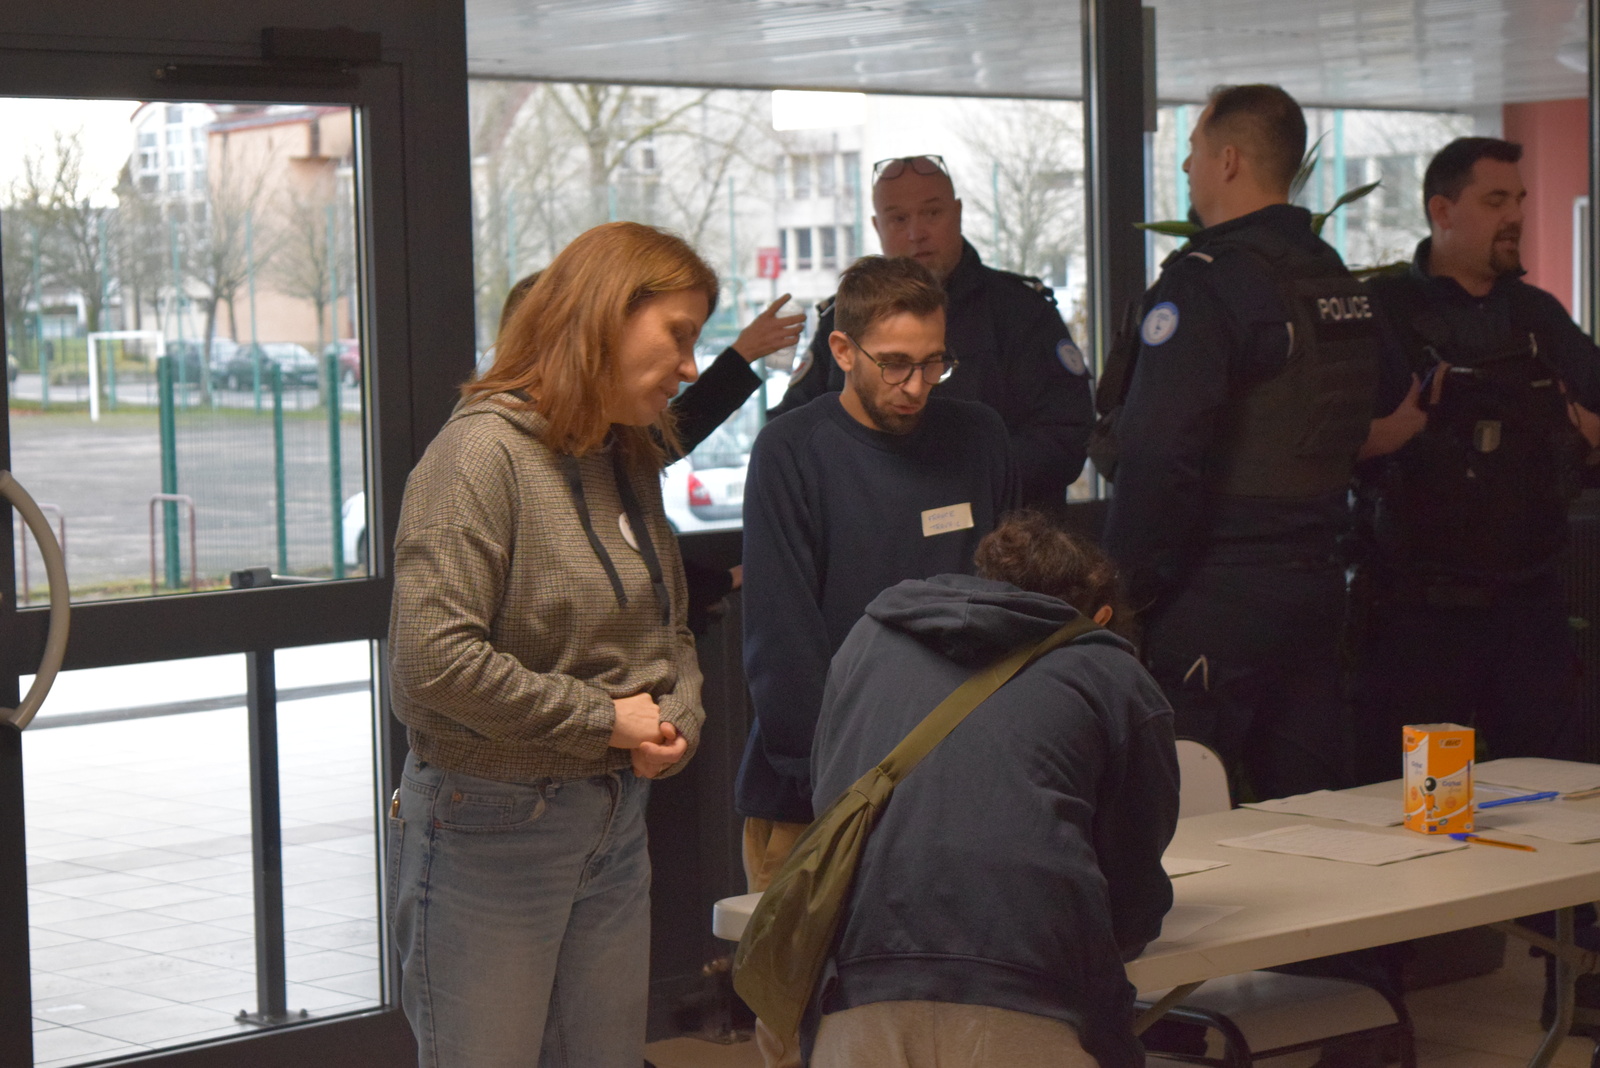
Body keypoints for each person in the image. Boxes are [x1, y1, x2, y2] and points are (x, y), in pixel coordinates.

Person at [386, 221, 716, 1067]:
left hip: (614, 820)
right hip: (489, 828)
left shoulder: (626, 455)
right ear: (607, 314)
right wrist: (605, 719)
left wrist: (677, 717)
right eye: (679, 335)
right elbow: (429, 667)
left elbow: (669, 626)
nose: (690, 367)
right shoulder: (478, 456)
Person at [807, 512, 1179, 1068]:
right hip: (1030, 992)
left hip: (856, 983)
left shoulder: (867, 641)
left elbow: (829, 802)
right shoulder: (1110, 673)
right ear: (1101, 616)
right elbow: (1134, 876)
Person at [1100, 84, 1378, 802]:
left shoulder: (1208, 284)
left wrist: (1125, 590)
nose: (1186, 167)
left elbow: (1159, 453)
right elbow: (1370, 409)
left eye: (1193, 150)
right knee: (1313, 816)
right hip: (1319, 587)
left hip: (1216, 592)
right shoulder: (1332, 275)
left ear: (1227, 160)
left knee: (1186, 816)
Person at [737, 254, 1014, 891]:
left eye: (933, 363)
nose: (915, 386)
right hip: (817, 797)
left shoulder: (979, 437)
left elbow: (1010, 604)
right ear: (843, 350)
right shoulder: (791, 452)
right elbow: (782, 647)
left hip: (957, 782)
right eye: (894, 364)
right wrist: (838, 788)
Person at [1351, 137, 1600, 785]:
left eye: (1518, 199)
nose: (1515, 215)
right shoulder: (1384, 315)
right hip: (1420, 619)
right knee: (1420, 806)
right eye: (1495, 201)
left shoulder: (1538, 317)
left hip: (1530, 610)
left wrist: (1578, 426)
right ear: (1442, 210)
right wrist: (1395, 432)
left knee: (1553, 797)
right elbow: (1332, 447)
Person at [772, 154, 1091, 509]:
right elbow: (794, 435)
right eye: (898, 219)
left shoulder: (1020, 311)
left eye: (932, 213)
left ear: (957, 213)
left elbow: (1065, 438)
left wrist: (954, 479)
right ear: (878, 227)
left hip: (999, 530)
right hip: (870, 525)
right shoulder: (845, 318)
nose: (916, 233)